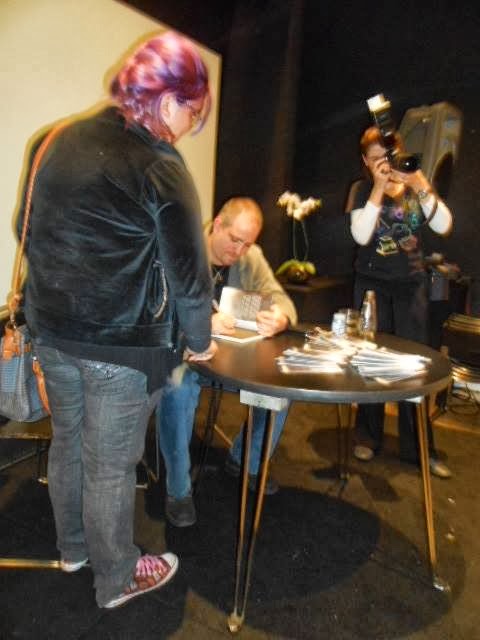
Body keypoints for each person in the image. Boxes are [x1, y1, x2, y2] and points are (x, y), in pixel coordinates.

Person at [17, 31, 217, 609]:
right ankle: (117, 578)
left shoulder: (53, 138)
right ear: (169, 99)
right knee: (110, 466)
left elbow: (22, 226)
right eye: (193, 114)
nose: (189, 128)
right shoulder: (160, 163)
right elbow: (189, 272)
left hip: (51, 332)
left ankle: (74, 549)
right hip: (121, 345)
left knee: (68, 444)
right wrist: (199, 339)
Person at [156, 197, 298, 526]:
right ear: (217, 224)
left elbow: (283, 301)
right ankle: (178, 489)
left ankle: (246, 461)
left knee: (280, 385)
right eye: (235, 240)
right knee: (178, 387)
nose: (239, 251)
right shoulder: (182, 250)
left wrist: (280, 318)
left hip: (230, 358)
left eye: (247, 244)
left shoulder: (250, 256)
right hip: (183, 354)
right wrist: (202, 325)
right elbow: (158, 315)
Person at [349, 126, 453, 478]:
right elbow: (360, 234)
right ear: (366, 161)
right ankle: (368, 435)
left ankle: (418, 447)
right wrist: (378, 188)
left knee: (413, 368)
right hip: (372, 284)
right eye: (376, 158)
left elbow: (444, 225)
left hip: (410, 286)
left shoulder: (414, 188)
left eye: (388, 156)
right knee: (371, 364)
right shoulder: (362, 189)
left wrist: (421, 183)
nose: (384, 164)